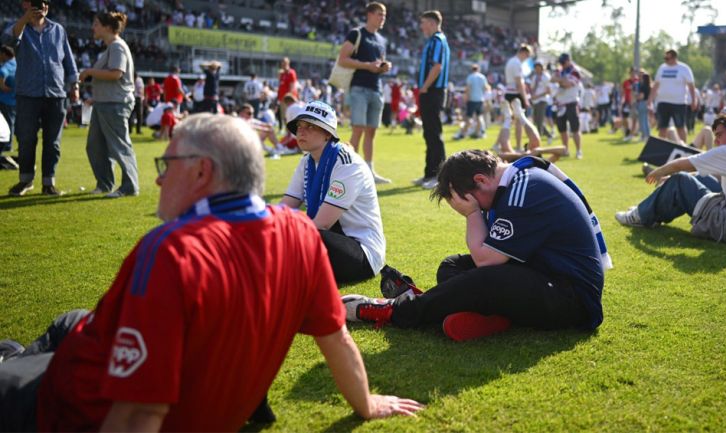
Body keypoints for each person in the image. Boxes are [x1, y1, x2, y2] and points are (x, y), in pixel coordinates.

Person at [0, 114, 423, 432]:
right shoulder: (300, 237)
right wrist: (364, 403)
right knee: (70, 322)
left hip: (67, 404)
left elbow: (137, 414)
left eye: (167, 166)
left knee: (34, 349)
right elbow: (337, 338)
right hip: (105, 359)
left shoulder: (170, 252)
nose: (161, 180)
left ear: (202, 171)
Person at [343, 150, 608, 341]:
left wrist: (472, 215)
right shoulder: (515, 182)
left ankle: (394, 311)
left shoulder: (524, 190)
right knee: (452, 267)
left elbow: (486, 261)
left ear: (480, 180)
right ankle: (494, 318)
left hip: (571, 299)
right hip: (543, 274)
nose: (477, 209)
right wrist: (475, 211)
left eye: (472, 202)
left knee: (484, 278)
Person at [616, 112, 726, 243]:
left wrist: (659, 172)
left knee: (680, 181)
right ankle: (649, 211)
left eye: (720, 135)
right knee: (700, 180)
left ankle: (639, 216)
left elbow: (681, 165)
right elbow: (715, 177)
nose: (716, 141)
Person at [281, 101, 385, 284]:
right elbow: (284, 209)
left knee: (307, 237)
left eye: (310, 126)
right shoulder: (306, 162)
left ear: (327, 134)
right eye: (299, 125)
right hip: (331, 239)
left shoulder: (348, 164)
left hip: (363, 253)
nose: (301, 131)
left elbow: (322, 223)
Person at [3, 0, 78, 196]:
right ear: (25, 4)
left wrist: (74, 85)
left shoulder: (58, 30)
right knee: (26, 140)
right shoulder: (19, 28)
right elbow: (7, 41)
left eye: (45, 2)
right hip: (27, 94)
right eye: (37, 2)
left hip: (56, 94)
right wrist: (25, 19)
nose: (42, 6)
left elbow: (68, 60)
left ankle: (48, 183)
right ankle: (25, 180)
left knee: (53, 142)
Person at [80, 11, 139, 198]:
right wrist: (95, 98)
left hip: (115, 104)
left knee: (119, 146)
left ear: (107, 27)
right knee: (95, 146)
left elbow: (116, 74)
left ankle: (129, 187)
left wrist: (89, 71)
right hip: (104, 103)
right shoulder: (111, 48)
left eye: (96, 24)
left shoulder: (117, 47)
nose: (93, 28)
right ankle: (105, 184)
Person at [337, 2, 392, 184]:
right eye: (379, 14)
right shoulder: (356, 33)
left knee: (371, 132)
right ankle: (349, 170)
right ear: (369, 14)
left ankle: (369, 171)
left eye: (384, 15)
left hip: (376, 88)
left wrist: (383, 67)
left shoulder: (382, 40)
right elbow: (343, 59)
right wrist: (366, 65)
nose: (382, 18)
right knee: (358, 129)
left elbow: (377, 63)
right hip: (359, 88)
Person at [412, 10, 450, 190]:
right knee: (429, 133)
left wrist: (425, 86)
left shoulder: (437, 40)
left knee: (434, 133)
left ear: (433, 23)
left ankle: (440, 176)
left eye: (424, 22)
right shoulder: (435, 40)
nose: (421, 26)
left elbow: (437, 66)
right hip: (431, 91)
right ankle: (429, 173)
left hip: (433, 91)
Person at [648, 49, 697, 144]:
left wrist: (694, 100)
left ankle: (683, 147)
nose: (665, 60)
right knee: (662, 127)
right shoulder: (662, 68)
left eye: (667, 58)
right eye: (664, 58)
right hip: (663, 102)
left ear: (674, 57)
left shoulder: (684, 68)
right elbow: (656, 85)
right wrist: (650, 100)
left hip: (679, 102)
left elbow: (691, 85)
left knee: (680, 127)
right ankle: (661, 149)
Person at [503, 44, 537, 152]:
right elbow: (519, 83)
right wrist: (525, 99)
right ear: (524, 52)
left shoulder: (511, 61)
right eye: (527, 56)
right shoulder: (517, 62)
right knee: (520, 120)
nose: (526, 59)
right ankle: (518, 146)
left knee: (509, 121)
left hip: (509, 91)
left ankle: (503, 144)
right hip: (515, 93)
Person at [551, 53, 583, 158]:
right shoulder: (559, 70)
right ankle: (565, 150)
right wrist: (561, 80)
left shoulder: (575, 71)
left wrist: (559, 80)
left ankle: (578, 151)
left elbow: (568, 84)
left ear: (569, 61)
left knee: (575, 129)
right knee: (562, 130)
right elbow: (552, 79)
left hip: (571, 103)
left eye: (563, 62)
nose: (562, 64)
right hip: (560, 104)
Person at [454, 64, 488, 140]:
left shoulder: (470, 77)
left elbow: (468, 89)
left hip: (472, 99)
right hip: (480, 99)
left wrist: (466, 98)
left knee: (469, 117)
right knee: (479, 116)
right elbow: (486, 88)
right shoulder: (482, 77)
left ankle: (463, 134)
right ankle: (479, 133)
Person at [530, 61, 553, 142]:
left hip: (542, 100)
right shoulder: (534, 77)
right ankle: (548, 135)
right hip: (535, 100)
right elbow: (532, 88)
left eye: (538, 67)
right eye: (536, 67)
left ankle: (537, 139)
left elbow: (549, 91)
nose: (537, 69)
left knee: (540, 120)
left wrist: (538, 96)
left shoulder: (546, 77)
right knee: (536, 121)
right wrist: (532, 95)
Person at [0, 45, 16, 154]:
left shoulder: (6, 66)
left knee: (6, 123)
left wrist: (4, 87)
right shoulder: (18, 64)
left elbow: (2, 74)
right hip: (16, 99)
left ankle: (7, 145)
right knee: (12, 122)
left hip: (5, 99)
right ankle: (10, 144)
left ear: (4, 54)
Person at [277, 57, 297, 131]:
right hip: (282, 99)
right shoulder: (282, 74)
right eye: (282, 63)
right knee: (284, 117)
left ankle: (290, 133)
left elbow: (292, 87)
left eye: (285, 63)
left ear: (288, 63)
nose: (283, 65)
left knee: (289, 117)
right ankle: (287, 132)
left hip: (288, 99)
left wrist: (290, 98)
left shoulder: (291, 72)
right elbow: (280, 85)